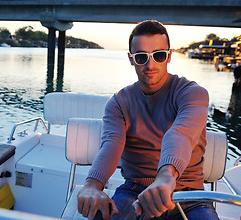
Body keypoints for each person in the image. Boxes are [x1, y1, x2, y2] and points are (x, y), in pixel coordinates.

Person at [77, 20, 219, 220]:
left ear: (169, 56)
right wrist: (92, 185)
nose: (150, 64)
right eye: (141, 57)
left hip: (189, 197)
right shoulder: (118, 103)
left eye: (158, 55)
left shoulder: (192, 94)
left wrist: (165, 177)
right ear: (131, 59)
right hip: (134, 191)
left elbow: (181, 133)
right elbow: (111, 144)